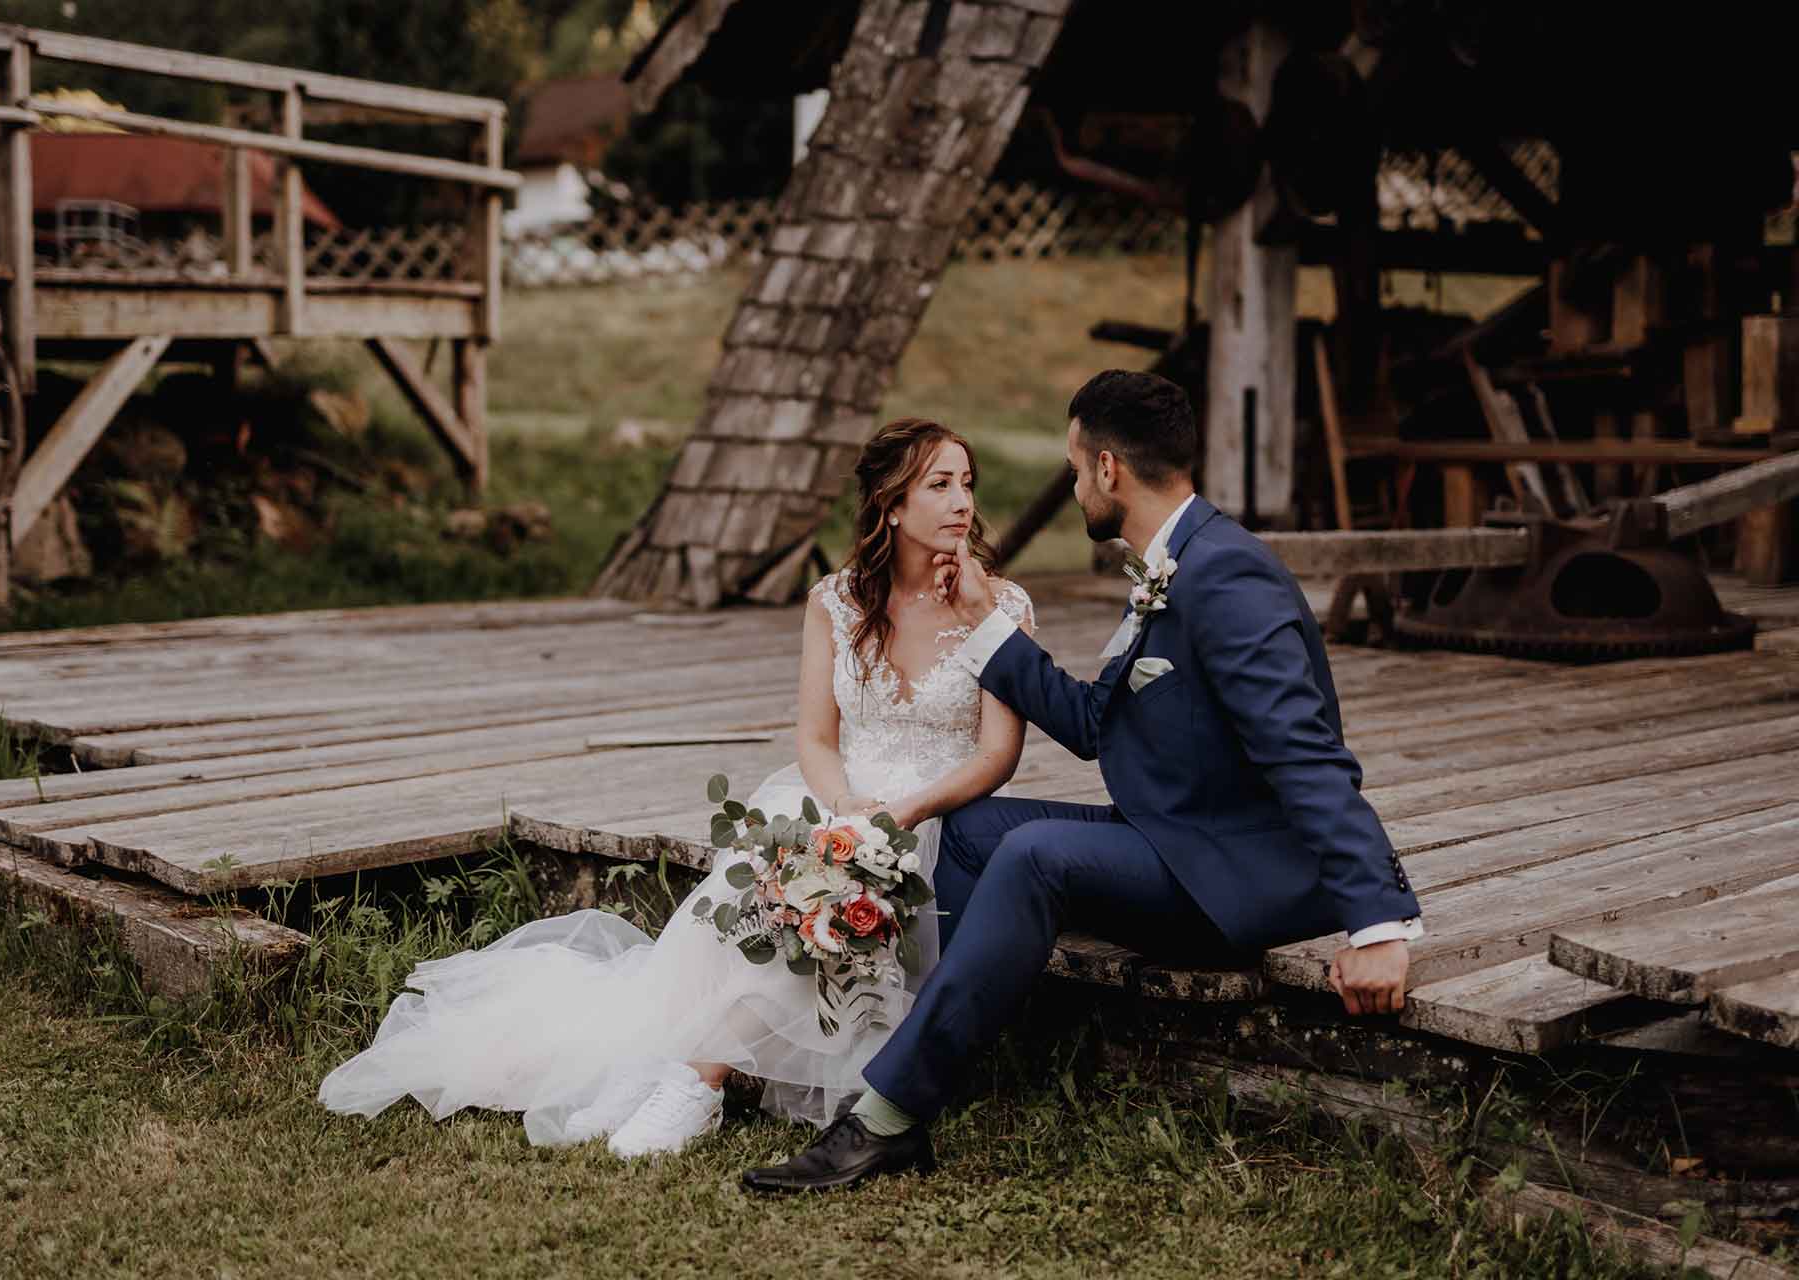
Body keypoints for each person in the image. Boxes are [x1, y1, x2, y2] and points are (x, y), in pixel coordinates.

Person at [741, 370, 1424, 1194]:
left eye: (1073, 468)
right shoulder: (1175, 563)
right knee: (974, 828)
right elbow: (1099, 722)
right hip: (1178, 831)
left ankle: (885, 1120)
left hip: (1236, 872)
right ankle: (946, 1040)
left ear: (1108, 470)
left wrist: (1378, 924)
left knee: (1034, 856)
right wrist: (987, 620)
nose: (1071, 486)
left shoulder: (1226, 577)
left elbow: (1306, 754)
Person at [319, 419, 1036, 1158]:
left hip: (939, 809)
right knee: (780, 867)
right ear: (891, 504)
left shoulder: (1000, 604)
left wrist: (902, 811)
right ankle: (672, 1068)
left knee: (835, 876)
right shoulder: (835, 601)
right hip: (842, 795)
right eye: (939, 484)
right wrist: (841, 805)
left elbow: (997, 755)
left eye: (967, 483)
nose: (962, 502)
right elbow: (818, 740)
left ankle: (697, 1081)